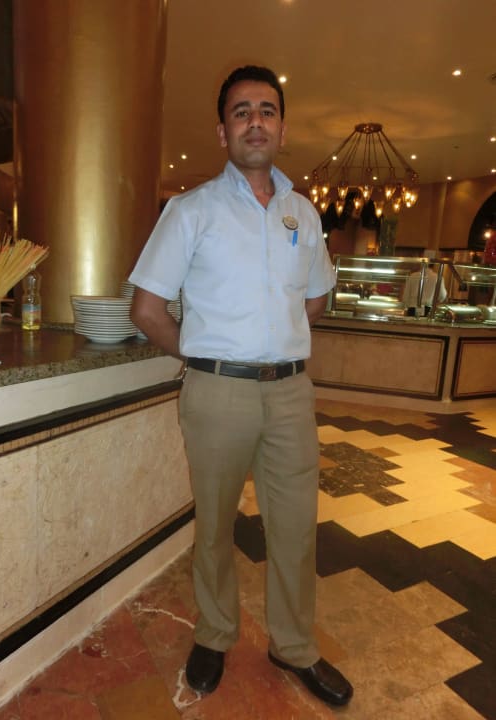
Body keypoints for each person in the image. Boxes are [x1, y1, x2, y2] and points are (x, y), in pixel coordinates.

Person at [129, 65, 353, 707]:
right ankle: (215, 633)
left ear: (282, 128)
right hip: (217, 393)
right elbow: (147, 309)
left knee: (296, 527)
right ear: (223, 130)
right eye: (241, 111)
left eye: (267, 110)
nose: (256, 121)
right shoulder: (191, 210)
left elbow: (316, 299)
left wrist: (275, 340)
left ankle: (295, 646)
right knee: (215, 524)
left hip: (290, 394)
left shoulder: (303, 214)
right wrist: (205, 355)